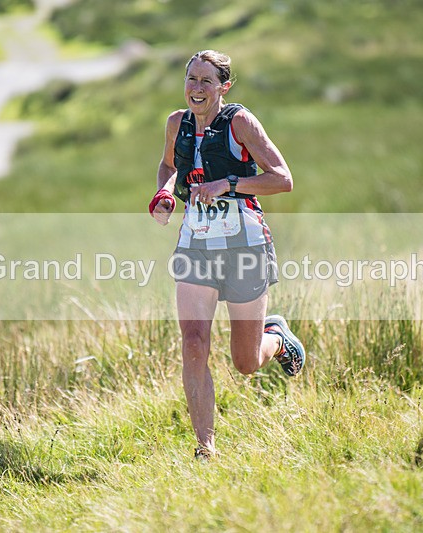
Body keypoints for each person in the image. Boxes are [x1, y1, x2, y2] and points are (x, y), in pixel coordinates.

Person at [149, 50, 305, 459]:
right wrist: (166, 193)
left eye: (206, 81)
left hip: (245, 242)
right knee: (194, 341)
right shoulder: (175, 124)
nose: (196, 89)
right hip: (196, 241)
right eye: (191, 79)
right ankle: (206, 449)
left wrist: (228, 184)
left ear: (224, 87)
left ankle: (278, 338)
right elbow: (168, 167)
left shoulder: (239, 122)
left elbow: (282, 179)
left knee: (246, 363)